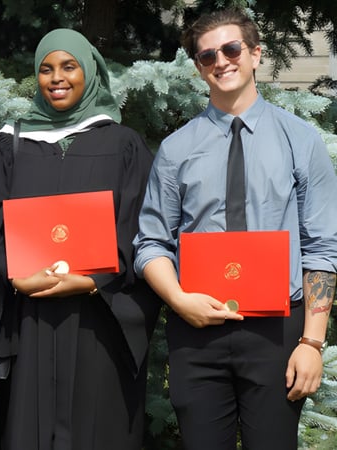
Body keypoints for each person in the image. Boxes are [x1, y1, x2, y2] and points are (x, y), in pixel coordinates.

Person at [133, 9, 337, 450]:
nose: (220, 61)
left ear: (255, 54)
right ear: (198, 67)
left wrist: (312, 343)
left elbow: (322, 247)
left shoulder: (299, 140)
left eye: (231, 49)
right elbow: (151, 242)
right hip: (196, 331)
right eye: (207, 56)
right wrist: (179, 299)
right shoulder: (175, 149)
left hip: (277, 331)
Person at [0, 28, 161, 449]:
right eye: (46, 69)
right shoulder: (12, 144)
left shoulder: (122, 144)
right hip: (29, 318)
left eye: (69, 66)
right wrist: (14, 274)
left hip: (99, 319)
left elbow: (140, 225)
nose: (56, 78)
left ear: (90, 71)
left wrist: (96, 280)